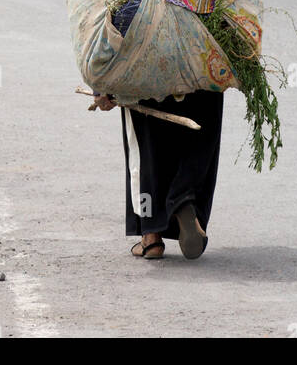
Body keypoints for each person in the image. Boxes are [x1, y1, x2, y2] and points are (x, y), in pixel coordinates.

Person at [93, 89, 224, 261]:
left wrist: (101, 87)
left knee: (146, 140)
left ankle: (151, 235)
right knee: (204, 103)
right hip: (202, 67)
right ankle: (183, 195)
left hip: (144, 75)